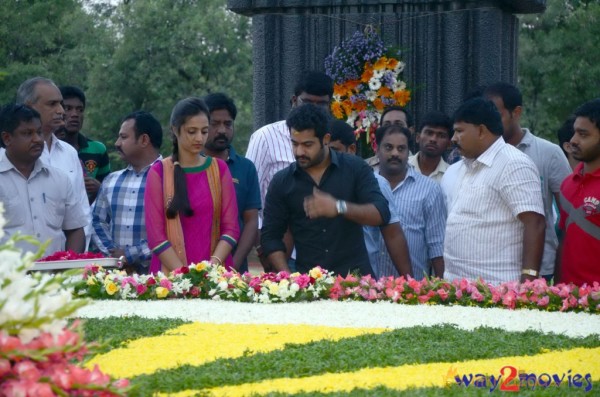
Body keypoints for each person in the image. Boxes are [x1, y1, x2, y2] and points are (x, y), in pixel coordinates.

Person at [261, 104, 390, 276]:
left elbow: (381, 213)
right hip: (308, 287)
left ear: (326, 139)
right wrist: (288, 279)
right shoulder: (282, 182)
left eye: (307, 144)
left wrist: (339, 207)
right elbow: (270, 237)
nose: (299, 152)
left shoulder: (355, 168)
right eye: (294, 144)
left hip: (356, 285)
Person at [441, 98, 545, 284]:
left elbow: (535, 223)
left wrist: (529, 284)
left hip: (498, 289)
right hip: (456, 287)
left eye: (459, 131)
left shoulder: (513, 163)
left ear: (481, 131)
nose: (453, 138)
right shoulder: (459, 167)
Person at [484, 82, 571, 282]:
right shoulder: (481, 155)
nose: (489, 122)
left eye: (496, 114)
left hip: (541, 268)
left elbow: (568, 216)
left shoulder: (549, 153)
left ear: (516, 112)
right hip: (494, 268)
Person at [246, 70, 334, 268]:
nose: (315, 109)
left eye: (322, 104)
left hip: (327, 252)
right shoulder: (265, 137)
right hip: (283, 252)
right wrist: (263, 246)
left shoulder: (333, 137)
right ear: (294, 101)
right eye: (308, 102)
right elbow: (250, 197)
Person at [145, 97, 239, 274]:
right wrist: (186, 277)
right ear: (175, 130)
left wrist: (211, 267)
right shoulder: (159, 172)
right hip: (170, 277)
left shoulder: (219, 169)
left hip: (215, 274)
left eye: (204, 132)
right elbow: (156, 237)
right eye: (191, 131)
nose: (199, 138)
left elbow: (231, 228)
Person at [327, 121, 412, 278]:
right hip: (318, 279)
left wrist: (409, 283)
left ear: (351, 150)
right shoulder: (312, 183)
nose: (328, 157)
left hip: (363, 281)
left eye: (334, 150)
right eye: (323, 151)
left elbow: (393, 235)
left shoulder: (377, 183)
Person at [0, 104, 86, 254]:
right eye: (27, 133)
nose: (38, 139)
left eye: (39, 132)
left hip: (54, 276)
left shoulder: (60, 179)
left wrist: (69, 266)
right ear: (7, 138)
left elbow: (75, 230)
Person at [15, 77, 91, 247]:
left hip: (66, 263)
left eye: (61, 104)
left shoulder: (69, 153)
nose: (61, 111)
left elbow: (82, 212)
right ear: (29, 107)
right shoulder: (10, 156)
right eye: (52, 104)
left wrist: (75, 261)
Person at [371, 124, 446, 279]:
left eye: (401, 149)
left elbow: (437, 245)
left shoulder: (429, 189)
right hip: (368, 288)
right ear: (377, 149)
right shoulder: (365, 185)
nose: (395, 153)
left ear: (408, 152)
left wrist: (442, 287)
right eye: (388, 147)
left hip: (412, 291)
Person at [91, 111, 162, 274]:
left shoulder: (170, 179)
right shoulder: (111, 181)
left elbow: (173, 231)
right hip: (114, 278)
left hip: (159, 277)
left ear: (144, 140)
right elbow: (96, 221)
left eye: (123, 137)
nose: (117, 143)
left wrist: (129, 255)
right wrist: (115, 258)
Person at [203, 93, 261, 273]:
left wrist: (232, 267)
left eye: (227, 124)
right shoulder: (186, 165)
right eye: (215, 124)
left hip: (234, 270)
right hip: (191, 267)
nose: (222, 130)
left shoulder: (246, 168)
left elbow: (251, 221)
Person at [556, 98, 600, 286]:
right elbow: (564, 241)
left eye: (583, 134)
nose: (573, 140)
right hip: (568, 300)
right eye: (575, 132)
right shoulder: (568, 183)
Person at [59, 85, 110, 204]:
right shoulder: (47, 148)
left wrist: (100, 188)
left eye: (80, 109)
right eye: (68, 108)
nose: (75, 114)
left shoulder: (98, 149)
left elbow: (108, 189)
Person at [407, 111, 452, 183]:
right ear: (418, 137)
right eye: (429, 133)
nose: (433, 139)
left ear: (449, 144)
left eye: (441, 136)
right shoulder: (403, 166)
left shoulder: (452, 175)